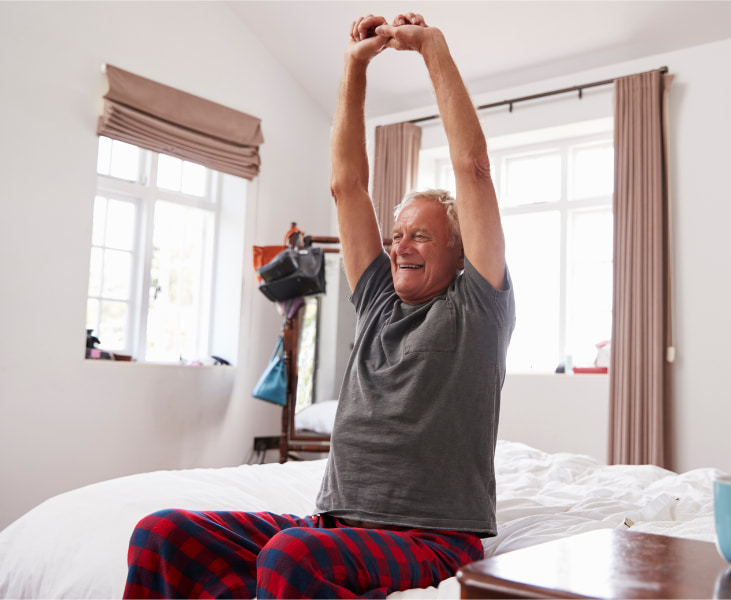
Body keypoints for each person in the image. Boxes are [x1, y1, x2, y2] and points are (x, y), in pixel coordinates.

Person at [123, 13, 514, 599]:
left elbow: (472, 169)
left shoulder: (476, 310)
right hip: (335, 527)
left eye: (421, 236)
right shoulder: (380, 299)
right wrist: (354, 68)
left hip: (430, 536)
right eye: (397, 234)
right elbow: (347, 187)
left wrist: (432, 48)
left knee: (290, 558)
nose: (399, 244)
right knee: (160, 535)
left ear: (460, 252)